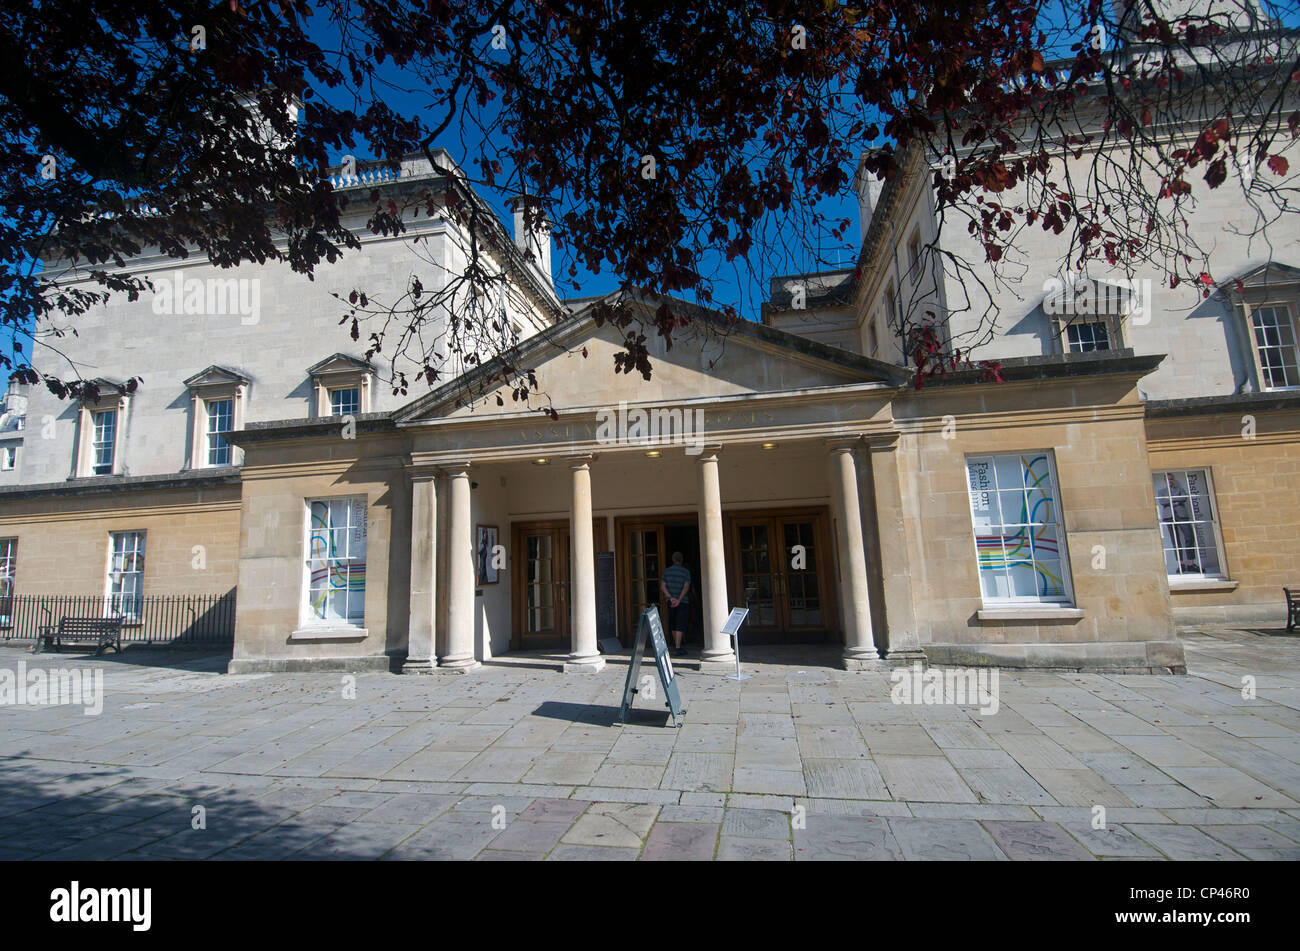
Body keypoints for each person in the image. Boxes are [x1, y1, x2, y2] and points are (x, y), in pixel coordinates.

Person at [659, 551, 692, 657]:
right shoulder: (686, 572)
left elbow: (663, 586)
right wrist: (679, 599)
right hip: (682, 602)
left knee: (673, 623)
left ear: (673, 560)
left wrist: (670, 597)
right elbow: (686, 587)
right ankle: (678, 647)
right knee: (680, 624)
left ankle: (676, 645)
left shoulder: (667, 572)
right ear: (681, 560)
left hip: (671, 602)